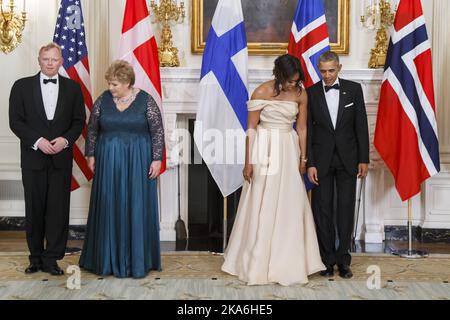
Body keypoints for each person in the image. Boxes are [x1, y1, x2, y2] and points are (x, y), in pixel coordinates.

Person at [221, 54, 325, 286]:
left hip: (288, 148)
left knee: (290, 201)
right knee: (262, 199)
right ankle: (256, 259)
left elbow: (302, 127)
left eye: (296, 80)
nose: (293, 84)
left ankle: (290, 259)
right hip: (265, 147)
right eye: (289, 80)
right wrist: (248, 162)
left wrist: (303, 157)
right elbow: (251, 129)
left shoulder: (301, 93)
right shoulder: (261, 92)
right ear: (279, 76)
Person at [79, 60, 164, 278]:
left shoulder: (146, 100)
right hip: (108, 160)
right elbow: (92, 130)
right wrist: (90, 154)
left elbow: (157, 132)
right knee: (109, 203)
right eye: (109, 83)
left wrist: (156, 159)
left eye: (114, 84)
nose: (110, 88)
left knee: (136, 204)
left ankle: (137, 261)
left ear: (127, 83)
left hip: (138, 160)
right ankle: (107, 259)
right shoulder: (102, 100)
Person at [9, 43, 86, 276]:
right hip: (33, 158)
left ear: (61, 61)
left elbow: (78, 121)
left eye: (54, 59)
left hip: (61, 159)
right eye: (46, 59)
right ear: (39, 60)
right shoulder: (21, 86)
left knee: (57, 210)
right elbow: (16, 121)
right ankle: (35, 258)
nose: (50, 63)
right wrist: (38, 141)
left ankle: (52, 258)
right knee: (34, 210)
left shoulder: (73, 88)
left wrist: (65, 141)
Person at [306, 51, 370, 279]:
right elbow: (308, 131)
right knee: (322, 211)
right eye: (322, 71)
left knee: (345, 210)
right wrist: (310, 163)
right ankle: (326, 260)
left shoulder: (354, 89)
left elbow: (361, 125)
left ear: (339, 68)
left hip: (348, 159)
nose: (327, 75)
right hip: (321, 161)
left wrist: (364, 158)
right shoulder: (311, 92)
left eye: (331, 70)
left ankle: (344, 260)